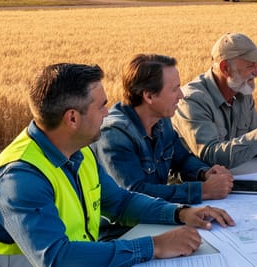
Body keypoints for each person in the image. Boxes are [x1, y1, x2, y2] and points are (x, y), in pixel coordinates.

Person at [0, 63, 233, 267]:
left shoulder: (78, 151)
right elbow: (57, 261)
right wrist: (154, 246)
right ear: (72, 118)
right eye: (101, 106)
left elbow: (119, 202)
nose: (108, 112)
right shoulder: (19, 179)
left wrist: (180, 212)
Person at [91, 54, 234, 207]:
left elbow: (182, 159)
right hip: (125, 229)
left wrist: (204, 173)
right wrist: (202, 190)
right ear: (149, 96)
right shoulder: (114, 134)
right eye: (174, 89)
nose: (181, 95)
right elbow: (134, 193)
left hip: (156, 216)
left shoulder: (161, 119)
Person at [173, 32, 257, 168]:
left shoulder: (242, 90)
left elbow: (254, 138)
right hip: (198, 185)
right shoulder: (192, 101)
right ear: (225, 68)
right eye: (250, 65)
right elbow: (211, 155)